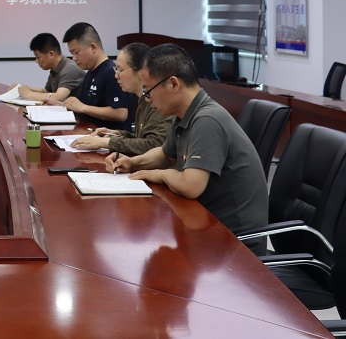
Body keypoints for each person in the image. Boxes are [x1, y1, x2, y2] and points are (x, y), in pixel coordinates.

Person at [106, 44, 268, 254]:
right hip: (209, 227)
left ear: (173, 84)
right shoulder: (187, 114)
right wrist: (132, 163)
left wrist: (160, 174)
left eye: (148, 90)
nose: (146, 98)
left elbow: (191, 185)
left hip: (234, 245)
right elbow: (165, 154)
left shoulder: (207, 120)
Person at [70, 43, 174, 154]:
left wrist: (107, 142)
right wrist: (116, 134)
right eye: (116, 69)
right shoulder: (142, 99)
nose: (116, 76)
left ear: (141, 72)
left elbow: (154, 144)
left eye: (120, 70)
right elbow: (140, 137)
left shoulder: (158, 101)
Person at [57, 22, 132, 130]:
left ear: (93, 47)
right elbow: (84, 107)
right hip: (88, 133)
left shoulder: (111, 73)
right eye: (72, 53)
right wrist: (61, 105)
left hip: (108, 137)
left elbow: (121, 113)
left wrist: (83, 107)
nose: (74, 58)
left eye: (76, 52)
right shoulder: (90, 73)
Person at [9, 33, 86, 102]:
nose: (36, 61)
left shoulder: (69, 69)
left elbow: (58, 97)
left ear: (51, 54)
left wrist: (28, 94)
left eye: (38, 57)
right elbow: (45, 91)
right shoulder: (56, 69)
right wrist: (22, 88)